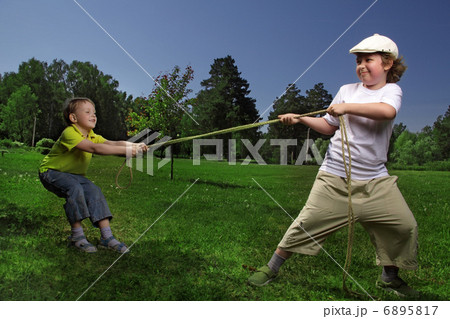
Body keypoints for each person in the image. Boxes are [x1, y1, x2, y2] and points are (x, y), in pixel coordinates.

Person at [248, 34, 419, 298]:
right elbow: (328, 127)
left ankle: (389, 277)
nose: (361, 65)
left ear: (387, 63)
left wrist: (345, 108)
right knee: (307, 221)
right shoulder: (347, 90)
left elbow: (386, 112)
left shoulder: (391, 91)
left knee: (403, 225)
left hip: (376, 180)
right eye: (358, 61)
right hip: (335, 176)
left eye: (368, 60)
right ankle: (272, 267)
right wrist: (303, 119)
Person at [39, 97, 148, 253]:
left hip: (74, 175)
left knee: (94, 190)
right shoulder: (70, 133)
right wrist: (124, 151)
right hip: (51, 172)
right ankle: (77, 236)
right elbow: (93, 148)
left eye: (94, 112)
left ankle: (107, 237)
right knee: (74, 188)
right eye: (88, 112)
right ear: (73, 118)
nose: (94, 115)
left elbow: (113, 143)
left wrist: (135, 145)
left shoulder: (92, 135)